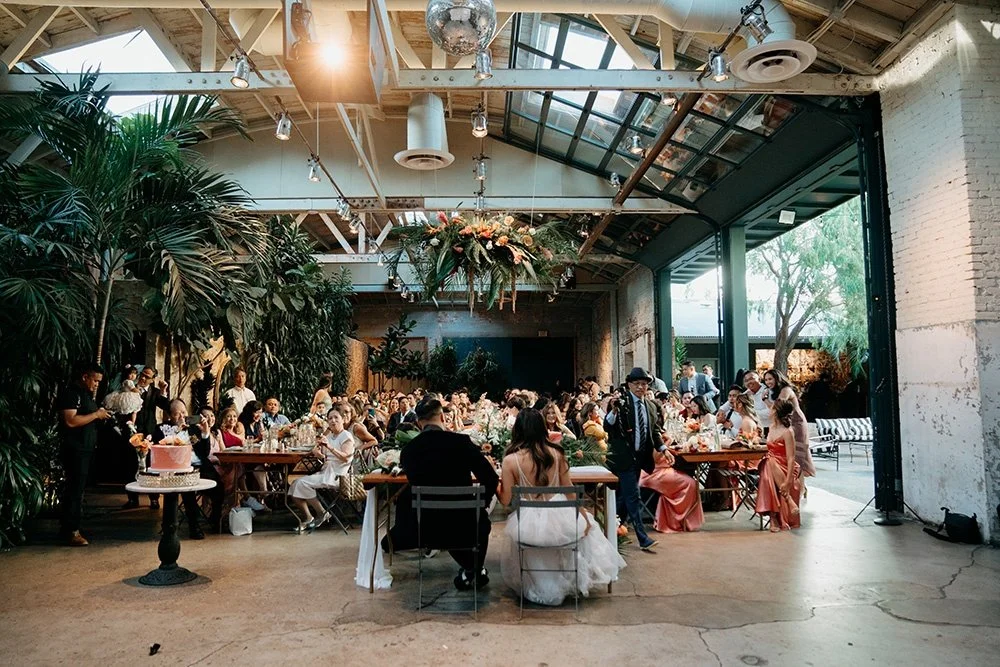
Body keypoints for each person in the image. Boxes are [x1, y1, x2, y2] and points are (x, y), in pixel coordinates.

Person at [498, 409, 626, 606]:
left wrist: (496, 486)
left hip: (529, 524)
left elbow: (505, 501)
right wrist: (582, 515)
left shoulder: (510, 460)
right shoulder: (557, 454)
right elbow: (569, 491)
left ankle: (540, 584)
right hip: (560, 516)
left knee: (526, 539)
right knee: (584, 528)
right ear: (542, 429)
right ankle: (563, 580)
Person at [385, 398, 499, 590]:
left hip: (424, 526)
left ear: (418, 422)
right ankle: (474, 569)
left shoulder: (409, 451)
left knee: (447, 523)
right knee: (482, 521)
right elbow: (491, 478)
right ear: (443, 417)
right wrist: (482, 504)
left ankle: (471, 570)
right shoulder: (461, 442)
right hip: (464, 521)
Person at [604, 367, 671, 552]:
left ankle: (611, 528)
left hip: (641, 458)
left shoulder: (651, 406)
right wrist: (613, 411)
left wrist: (663, 449)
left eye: (644, 384)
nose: (641, 387)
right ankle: (642, 537)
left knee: (625, 496)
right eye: (637, 384)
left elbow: (654, 431)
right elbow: (608, 426)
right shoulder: (622, 404)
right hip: (624, 458)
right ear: (629, 385)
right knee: (633, 495)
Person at [56, 362, 110, 546]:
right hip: (75, 449)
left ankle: (71, 526)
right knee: (74, 489)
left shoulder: (86, 395)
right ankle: (72, 530)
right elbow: (70, 421)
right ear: (85, 377)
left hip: (85, 449)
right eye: (95, 380)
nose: (97, 384)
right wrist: (96, 415)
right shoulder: (71, 394)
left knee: (78, 489)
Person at [151, 399, 211, 540]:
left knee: (219, 486)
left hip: (198, 465)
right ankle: (194, 526)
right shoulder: (162, 429)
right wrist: (176, 431)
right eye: (178, 414)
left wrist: (205, 433)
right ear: (170, 415)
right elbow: (161, 448)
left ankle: (216, 521)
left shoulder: (193, 429)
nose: (182, 417)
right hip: (177, 468)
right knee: (187, 490)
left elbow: (204, 452)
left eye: (184, 413)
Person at [289, 405, 355, 533]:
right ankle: (310, 516)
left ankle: (321, 513)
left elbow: (345, 458)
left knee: (301, 483)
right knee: (294, 485)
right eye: (330, 418)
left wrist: (329, 447)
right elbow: (326, 457)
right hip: (326, 471)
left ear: (343, 419)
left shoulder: (346, 436)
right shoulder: (330, 435)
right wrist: (318, 453)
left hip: (338, 476)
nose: (333, 421)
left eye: (336, 418)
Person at [125, 365, 170, 509]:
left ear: (152, 380)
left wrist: (163, 391)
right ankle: (132, 498)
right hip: (133, 430)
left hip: (149, 432)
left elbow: (166, 406)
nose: (143, 378)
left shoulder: (155, 392)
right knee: (131, 464)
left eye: (147, 377)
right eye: (142, 375)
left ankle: (154, 498)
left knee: (151, 466)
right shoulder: (130, 389)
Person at [755, 399, 802, 531]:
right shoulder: (770, 427)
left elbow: (791, 458)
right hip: (772, 462)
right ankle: (787, 502)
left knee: (768, 465)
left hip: (785, 465)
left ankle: (774, 518)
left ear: (776, 412)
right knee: (768, 465)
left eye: (772, 408)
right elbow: (770, 448)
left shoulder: (788, 432)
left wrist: (788, 481)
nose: (770, 410)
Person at [638, 441, 703, 534]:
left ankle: (678, 519)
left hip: (661, 470)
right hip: (653, 473)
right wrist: (667, 442)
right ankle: (678, 520)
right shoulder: (652, 436)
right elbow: (655, 458)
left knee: (688, 480)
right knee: (691, 483)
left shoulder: (658, 434)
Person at [763, 369, 815, 478]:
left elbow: (778, 407)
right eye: (766, 380)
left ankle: (798, 485)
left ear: (777, 378)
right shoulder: (776, 392)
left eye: (770, 379)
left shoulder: (786, 390)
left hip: (796, 423)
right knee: (787, 453)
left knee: (797, 456)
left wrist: (765, 400)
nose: (768, 382)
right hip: (787, 423)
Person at [102, 365, 143, 431]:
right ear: (127, 374)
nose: (133, 375)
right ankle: (129, 422)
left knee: (135, 410)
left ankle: (132, 422)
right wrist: (139, 391)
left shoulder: (131, 382)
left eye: (134, 374)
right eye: (130, 373)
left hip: (130, 396)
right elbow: (132, 389)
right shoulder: (128, 381)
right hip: (126, 396)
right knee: (128, 409)